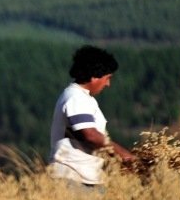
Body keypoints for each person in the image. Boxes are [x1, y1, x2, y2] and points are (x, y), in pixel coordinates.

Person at [48, 45, 136, 187]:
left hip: (82, 178)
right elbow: (90, 135)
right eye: (107, 78)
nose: (108, 84)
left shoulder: (81, 97)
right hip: (73, 178)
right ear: (94, 76)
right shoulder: (76, 97)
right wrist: (123, 154)